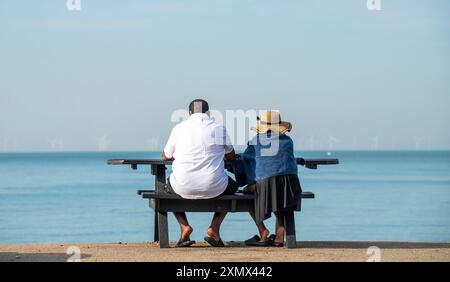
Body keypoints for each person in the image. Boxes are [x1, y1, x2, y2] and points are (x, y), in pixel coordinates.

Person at [162, 99, 238, 247]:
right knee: (233, 188)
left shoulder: (179, 128)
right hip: (215, 186)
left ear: (189, 113)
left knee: (165, 190)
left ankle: (184, 226)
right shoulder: (218, 128)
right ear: (208, 113)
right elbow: (231, 156)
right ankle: (214, 228)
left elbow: (165, 156)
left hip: (182, 186)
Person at [242, 110, 302, 247]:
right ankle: (279, 236)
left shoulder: (256, 141)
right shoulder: (288, 140)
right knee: (276, 193)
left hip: (267, 184)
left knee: (247, 193)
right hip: (290, 185)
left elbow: (246, 159)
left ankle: (263, 232)